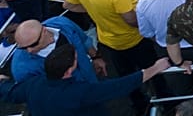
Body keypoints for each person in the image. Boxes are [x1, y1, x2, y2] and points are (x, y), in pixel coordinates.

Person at [63, 0, 158, 98]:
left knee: (126, 79)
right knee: (154, 73)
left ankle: (139, 105)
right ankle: (165, 101)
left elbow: (68, 5)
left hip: (110, 42)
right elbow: (131, 20)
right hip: (134, 40)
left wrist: (95, 9)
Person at [0, 39, 172, 116]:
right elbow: (119, 86)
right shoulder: (80, 92)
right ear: (69, 71)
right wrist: (155, 68)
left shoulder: (32, 84)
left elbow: (10, 93)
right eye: (76, 60)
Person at [9, 16, 100, 83]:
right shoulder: (21, 68)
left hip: (91, 81)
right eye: (23, 48)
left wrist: (96, 57)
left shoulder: (63, 24)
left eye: (34, 44)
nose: (29, 51)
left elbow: (84, 40)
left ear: (44, 31)